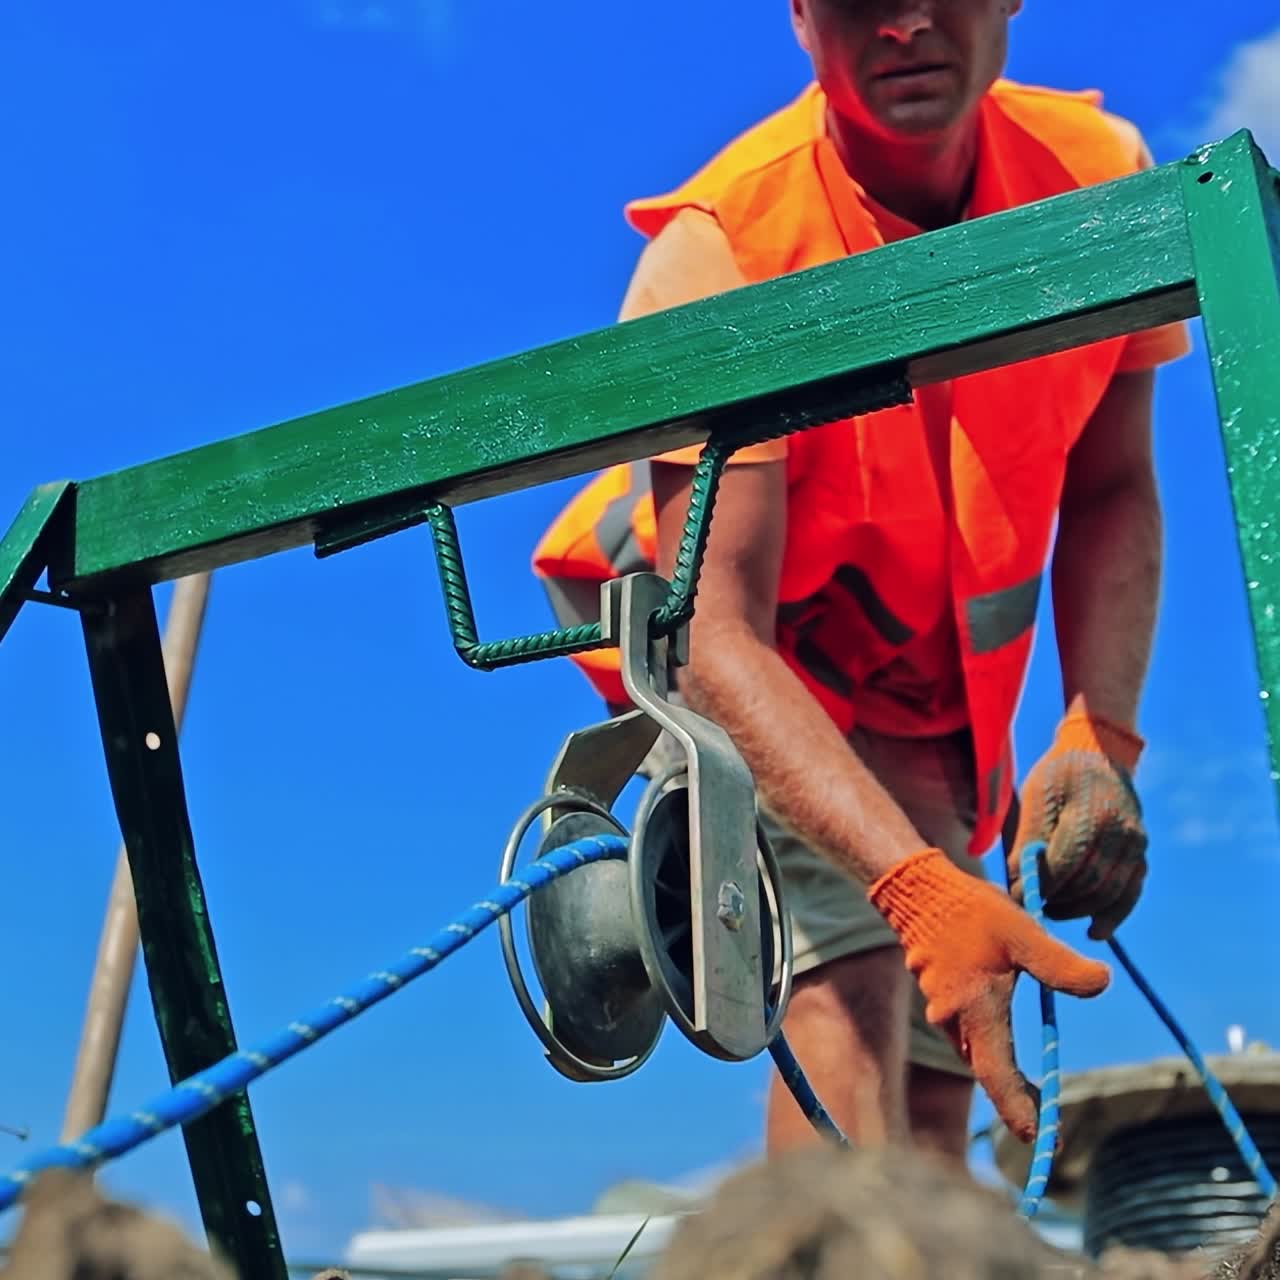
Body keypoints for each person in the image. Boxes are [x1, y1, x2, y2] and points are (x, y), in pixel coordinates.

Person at [531, 0, 1190, 1163]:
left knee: (946, 1071)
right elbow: (718, 634)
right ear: (797, 16)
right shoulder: (726, 245)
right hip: (734, 646)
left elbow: (1110, 484)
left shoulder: (1094, 182)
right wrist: (911, 888)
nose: (905, 24)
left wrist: (1100, 730)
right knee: (852, 984)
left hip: (916, 693)